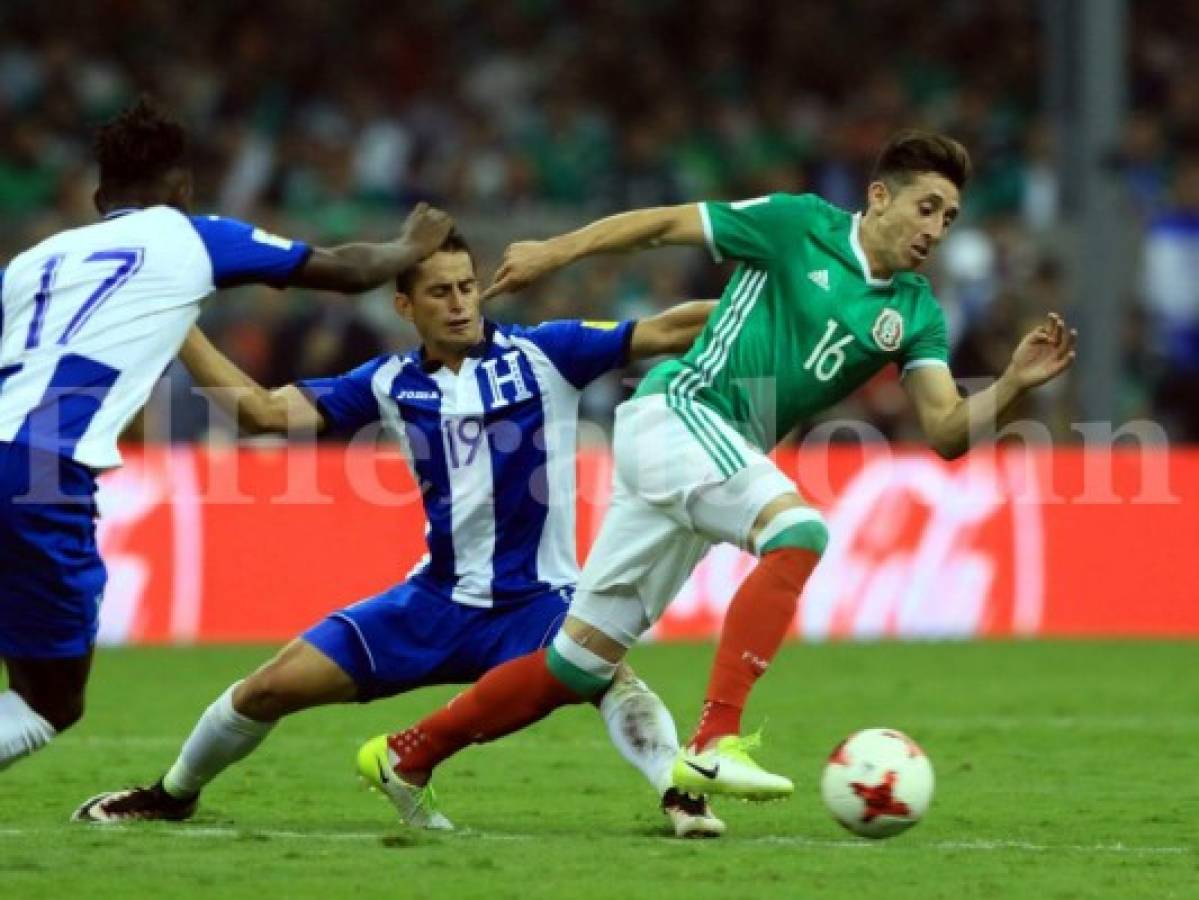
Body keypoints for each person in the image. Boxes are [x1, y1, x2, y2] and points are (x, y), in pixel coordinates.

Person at [359, 130, 1078, 819]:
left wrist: (1013, 383)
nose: (936, 227)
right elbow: (665, 225)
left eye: (949, 217)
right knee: (796, 530)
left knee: (577, 664)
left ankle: (406, 754)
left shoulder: (914, 309)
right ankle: (712, 744)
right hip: (678, 409)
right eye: (926, 207)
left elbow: (947, 432)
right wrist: (558, 249)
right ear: (879, 196)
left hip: (708, 453)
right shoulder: (797, 224)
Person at [72, 231, 724, 837]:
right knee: (266, 689)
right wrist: (180, 323)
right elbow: (261, 411)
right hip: (433, 603)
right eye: (441, 292)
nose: (461, 303)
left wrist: (770, 302)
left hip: (538, 603)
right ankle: (172, 794)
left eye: (467, 285)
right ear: (405, 305)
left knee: (611, 677)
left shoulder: (546, 352)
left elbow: (668, 328)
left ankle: (677, 791)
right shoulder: (386, 383)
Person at [0, 98, 455, 774]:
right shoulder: (188, 235)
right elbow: (348, 270)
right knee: (51, 700)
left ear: (99, 196)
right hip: (42, 474)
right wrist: (414, 245)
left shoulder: (33, 260)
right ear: (183, 189)